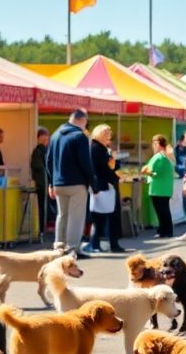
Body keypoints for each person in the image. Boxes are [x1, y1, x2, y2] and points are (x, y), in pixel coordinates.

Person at [47, 109, 96, 255]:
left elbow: (48, 160)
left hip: (58, 183)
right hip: (76, 183)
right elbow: (85, 163)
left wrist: (50, 183)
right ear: (83, 120)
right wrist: (93, 184)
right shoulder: (79, 136)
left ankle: (58, 247)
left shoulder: (55, 135)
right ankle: (72, 249)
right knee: (75, 217)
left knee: (62, 215)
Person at [85, 124, 123, 253]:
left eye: (109, 133)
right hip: (101, 187)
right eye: (106, 133)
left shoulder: (100, 148)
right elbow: (109, 167)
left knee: (102, 217)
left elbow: (112, 165)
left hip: (103, 186)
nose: (109, 136)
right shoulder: (97, 149)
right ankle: (96, 244)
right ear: (100, 134)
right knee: (100, 217)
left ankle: (104, 244)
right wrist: (113, 161)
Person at [142, 135, 176, 239]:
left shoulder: (161, 157)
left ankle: (165, 231)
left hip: (159, 189)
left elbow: (157, 173)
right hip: (162, 189)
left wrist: (148, 172)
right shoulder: (165, 156)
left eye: (155, 144)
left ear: (159, 144)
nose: (153, 146)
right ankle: (164, 230)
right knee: (163, 211)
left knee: (162, 211)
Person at [28, 126, 49, 237]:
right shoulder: (39, 151)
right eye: (43, 139)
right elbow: (38, 167)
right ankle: (41, 230)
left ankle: (42, 229)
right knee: (42, 208)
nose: (45, 142)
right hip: (42, 184)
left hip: (43, 184)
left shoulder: (42, 151)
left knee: (43, 208)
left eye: (46, 140)